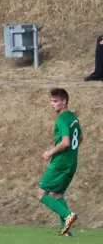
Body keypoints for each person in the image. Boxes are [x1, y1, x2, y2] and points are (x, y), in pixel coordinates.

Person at [38, 88, 80, 236]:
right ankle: (65, 230)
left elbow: (66, 142)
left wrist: (50, 152)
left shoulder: (62, 119)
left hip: (60, 163)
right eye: (51, 101)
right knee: (57, 194)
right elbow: (80, 138)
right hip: (72, 162)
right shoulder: (72, 118)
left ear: (64, 102)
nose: (52, 104)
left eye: (55, 101)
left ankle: (68, 215)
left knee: (42, 194)